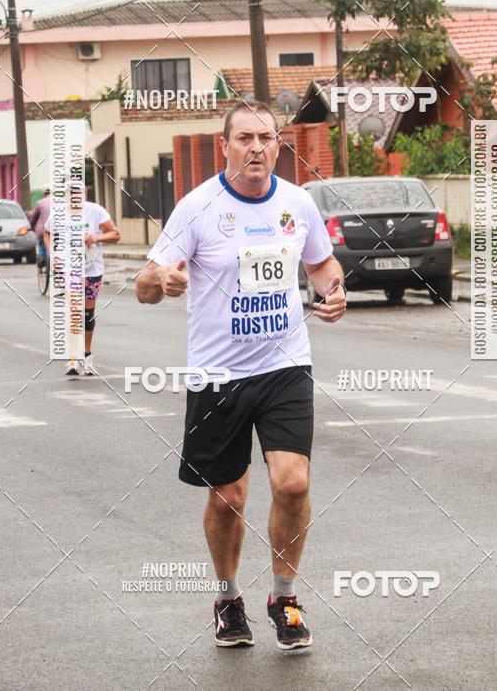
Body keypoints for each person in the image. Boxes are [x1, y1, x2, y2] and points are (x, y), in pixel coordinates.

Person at [136, 101, 346, 651]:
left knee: (293, 484)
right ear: (224, 145)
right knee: (228, 496)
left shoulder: (297, 203)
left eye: (266, 138)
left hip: (285, 366)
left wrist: (334, 290)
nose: (256, 147)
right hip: (218, 374)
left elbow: (321, 264)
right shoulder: (197, 207)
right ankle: (228, 599)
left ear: (279, 144)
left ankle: (284, 596)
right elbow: (144, 285)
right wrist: (164, 281)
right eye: (245, 138)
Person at [44, 180, 120, 376]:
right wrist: (53, 256)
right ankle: (73, 359)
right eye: (70, 193)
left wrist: (95, 237)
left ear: (85, 192)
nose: (74, 196)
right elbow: (47, 233)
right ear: (66, 195)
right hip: (70, 270)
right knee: (75, 312)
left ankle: (86, 355)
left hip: (92, 270)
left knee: (88, 314)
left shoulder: (96, 211)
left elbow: (115, 235)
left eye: (78, 192)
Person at [28, 186, 51, 266]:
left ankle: (41, 258)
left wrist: (32, 226)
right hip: (58, 230)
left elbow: (33, 218)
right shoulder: (61, 202)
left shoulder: (39, 203)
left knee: (41, 241)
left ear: (43, 193)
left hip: (43, 230)